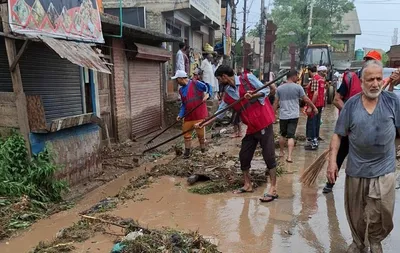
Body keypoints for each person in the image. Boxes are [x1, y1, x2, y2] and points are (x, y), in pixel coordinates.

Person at [327, 60, 400, 253]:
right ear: (361, 81)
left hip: (384, 170)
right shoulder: (351, 105)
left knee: (382, 212)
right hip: (357, 169)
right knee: (356, 213)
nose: (375, 83)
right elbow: (338, 134)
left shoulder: (393, 102)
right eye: (370, 79)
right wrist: (332, 162)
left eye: (378, 79)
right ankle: (358, 243)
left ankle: (375, 241)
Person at [195, 65, 278, 202]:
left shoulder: (247, 79)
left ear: (224, 77)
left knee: (268, 155)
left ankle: (273, 188)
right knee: (244, 155)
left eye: (219, 79)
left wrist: (253, 94)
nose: (219, 82)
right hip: (251, 127)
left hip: (263, 122)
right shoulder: (228, 93)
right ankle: (247, 184)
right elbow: (220, 112)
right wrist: (204, 123)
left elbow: (267, 90)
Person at [323, 50, 381, 193]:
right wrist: (351, 114)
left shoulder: (379, 83)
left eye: (373, 61)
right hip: (350, 129)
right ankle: (330, 183)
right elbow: (336, 99)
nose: (374, 82)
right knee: (341, 153)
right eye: (367, 61)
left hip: (371, 131)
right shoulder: (350, 79)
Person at [273, 70, 318, 163]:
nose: (297, 78)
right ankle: (289, 156)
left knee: (282, 134)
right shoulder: (298, 88)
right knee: (291, 136)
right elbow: (306, 99)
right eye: (296, 76)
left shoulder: (280, 88)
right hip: (293, 115)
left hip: (283, 115)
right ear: (293, 77)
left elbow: (275, 102)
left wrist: (272, 114)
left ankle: (281, 152)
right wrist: (314, 107)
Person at [172, 70, 210, 159]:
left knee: (200, 135)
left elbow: (208, 87)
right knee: (186, 134)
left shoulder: (195, 83)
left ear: (181, 79)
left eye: (177, 80)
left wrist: (208, 94)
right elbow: (184, 104)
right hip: (188, 116)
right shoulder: (181, 90)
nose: (176, 82)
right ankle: (187, 152)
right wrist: (180, 115)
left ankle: (203, 150)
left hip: (199, 114)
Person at [304, 65, 326, 150]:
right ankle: (315, 138)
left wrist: (310, 106)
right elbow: (322, 93)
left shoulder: (315, 79)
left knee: (312, 123)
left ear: (309, 71)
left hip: (315, 105)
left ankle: (313, 143)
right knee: (316, 122)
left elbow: (315, 94)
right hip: (320, 104)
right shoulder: (321, 79)